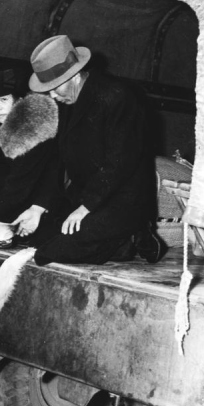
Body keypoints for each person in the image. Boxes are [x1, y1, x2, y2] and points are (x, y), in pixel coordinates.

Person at [28, 35, 162, 265]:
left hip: (121, 198)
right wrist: (38, 207)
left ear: (75, 75)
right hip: (87, 196)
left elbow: (119, 164)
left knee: (55, 251)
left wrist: (85, 207)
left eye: (55, 87)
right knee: (39, 237)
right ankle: (120, 245)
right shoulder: (67, 102)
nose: (51, 95)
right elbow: (56, 161)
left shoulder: (117, 97)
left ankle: (135, 233)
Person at [0, 68, 63, 242]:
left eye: (4, 99)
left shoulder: (33, 128)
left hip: (44, 202)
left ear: (19, 101)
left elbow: (21, 181)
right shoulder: (5, 124)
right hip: (22, 195)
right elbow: (7, 168)